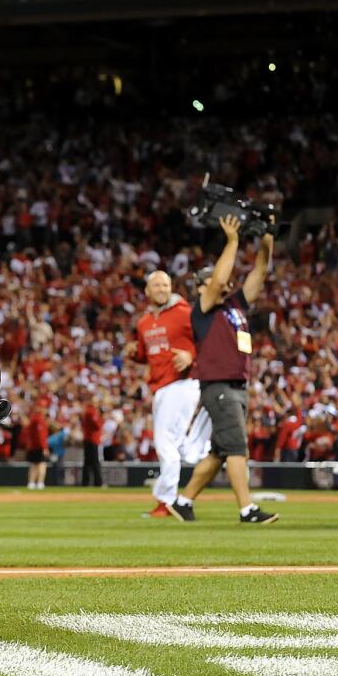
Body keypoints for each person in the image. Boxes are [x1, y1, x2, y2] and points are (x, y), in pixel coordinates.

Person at [169, 214, 277, 525]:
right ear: (199, 288)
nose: (224, 282)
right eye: (213, 281)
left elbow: (260, 270)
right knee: (237, 446)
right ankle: (247, 510)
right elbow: (216, 282)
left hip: (235, 384)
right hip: (219, 385)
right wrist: (232, 241)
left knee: (219, 451)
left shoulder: (236, 305)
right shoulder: (202, 311)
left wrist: (267, 237)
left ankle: (184, 501)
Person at [124, 270, 209, 518]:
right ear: (147, 291)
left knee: (165, 443)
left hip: (182, 383)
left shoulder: (186, 313)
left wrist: (191, 355)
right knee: (178, 446)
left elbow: (208, 340)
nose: (162, 289)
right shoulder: (144, 322)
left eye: (166, 284)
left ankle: (167, 501)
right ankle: (211, 451)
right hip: (160, 385)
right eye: (157, 285)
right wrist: (133, 352)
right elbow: (145, 353)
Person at [80, 396, 103, 487]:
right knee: (94, 462)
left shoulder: (87, 411)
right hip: (92, 439)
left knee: (87, 462)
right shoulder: (92, 411)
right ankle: (98, 483)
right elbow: (97, 425)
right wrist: (101, 420)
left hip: (87, 438)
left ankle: (85, 483)